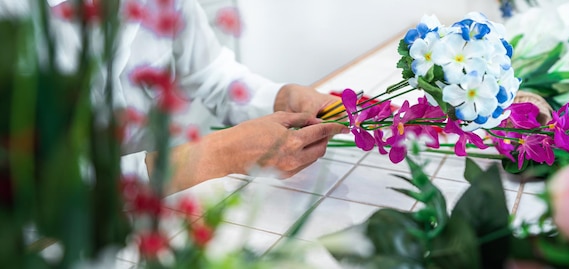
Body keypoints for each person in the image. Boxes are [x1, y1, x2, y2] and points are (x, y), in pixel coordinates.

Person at [38, 0, 349, 193]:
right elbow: (50, 189)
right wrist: (218, 155)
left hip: (149, 213)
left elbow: (211, 72)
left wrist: (281, 98)